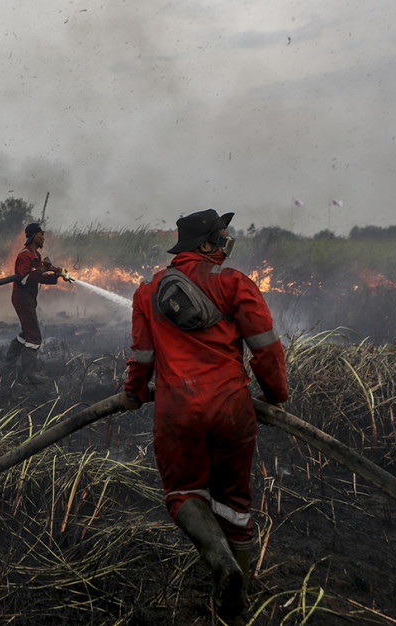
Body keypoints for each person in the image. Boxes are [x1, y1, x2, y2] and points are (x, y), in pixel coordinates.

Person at [121, 209, 289, 622]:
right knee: (234, 502)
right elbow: (266, 348)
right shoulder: (234, 283)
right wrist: (274, 396)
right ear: (207, 244)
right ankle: (239, 595)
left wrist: (134, 393)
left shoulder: (147, 292)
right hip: (232, 407)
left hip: (177, 411)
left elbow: (141, 357)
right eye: (224, 239)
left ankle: (221, 564)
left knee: (182, 493)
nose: (227, 247)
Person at [3, 222, 68, 384]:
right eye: (41, 234)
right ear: (34, 236)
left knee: (27, 333)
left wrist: (56, 275)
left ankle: (8, 366)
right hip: (22, 299)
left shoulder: (36, 256)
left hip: (29, 299)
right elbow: (25, 279)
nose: (43, 237)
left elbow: (38, 277)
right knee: (34, 337)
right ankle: (28, 375)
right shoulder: (24, 256)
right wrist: (44, 269)